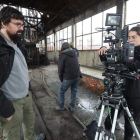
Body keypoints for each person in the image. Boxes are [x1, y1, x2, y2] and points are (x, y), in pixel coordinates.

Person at [0, 6, 45, 140]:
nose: (21, 28)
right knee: (12, 135)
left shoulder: (19, 45)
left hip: (26, 96)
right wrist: (4, 108)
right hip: (11, 101)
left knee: (29, 126)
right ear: (4, 23)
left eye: (22, 25)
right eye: (17, 24)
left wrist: (28, 91)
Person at [98, 25, 140, 140]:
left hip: (135, 94)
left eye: (134, 37)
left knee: (129, 122)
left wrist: (126, 60)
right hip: (118, 90)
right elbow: (110, 63)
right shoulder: (123, 50)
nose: (129, 40)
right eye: (129, 37)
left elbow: (135, 66)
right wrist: (104, 52)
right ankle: (108, 132)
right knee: (110, 117)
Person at [56, 42, 80, 111]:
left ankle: (61, 106)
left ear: (62, 48)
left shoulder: (62, 55)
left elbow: (60, 69)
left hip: (68, 77)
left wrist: (61, 79)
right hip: (77, 76)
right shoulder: (74, 53)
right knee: (74, 91)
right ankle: (72, 107)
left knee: (61, 91)